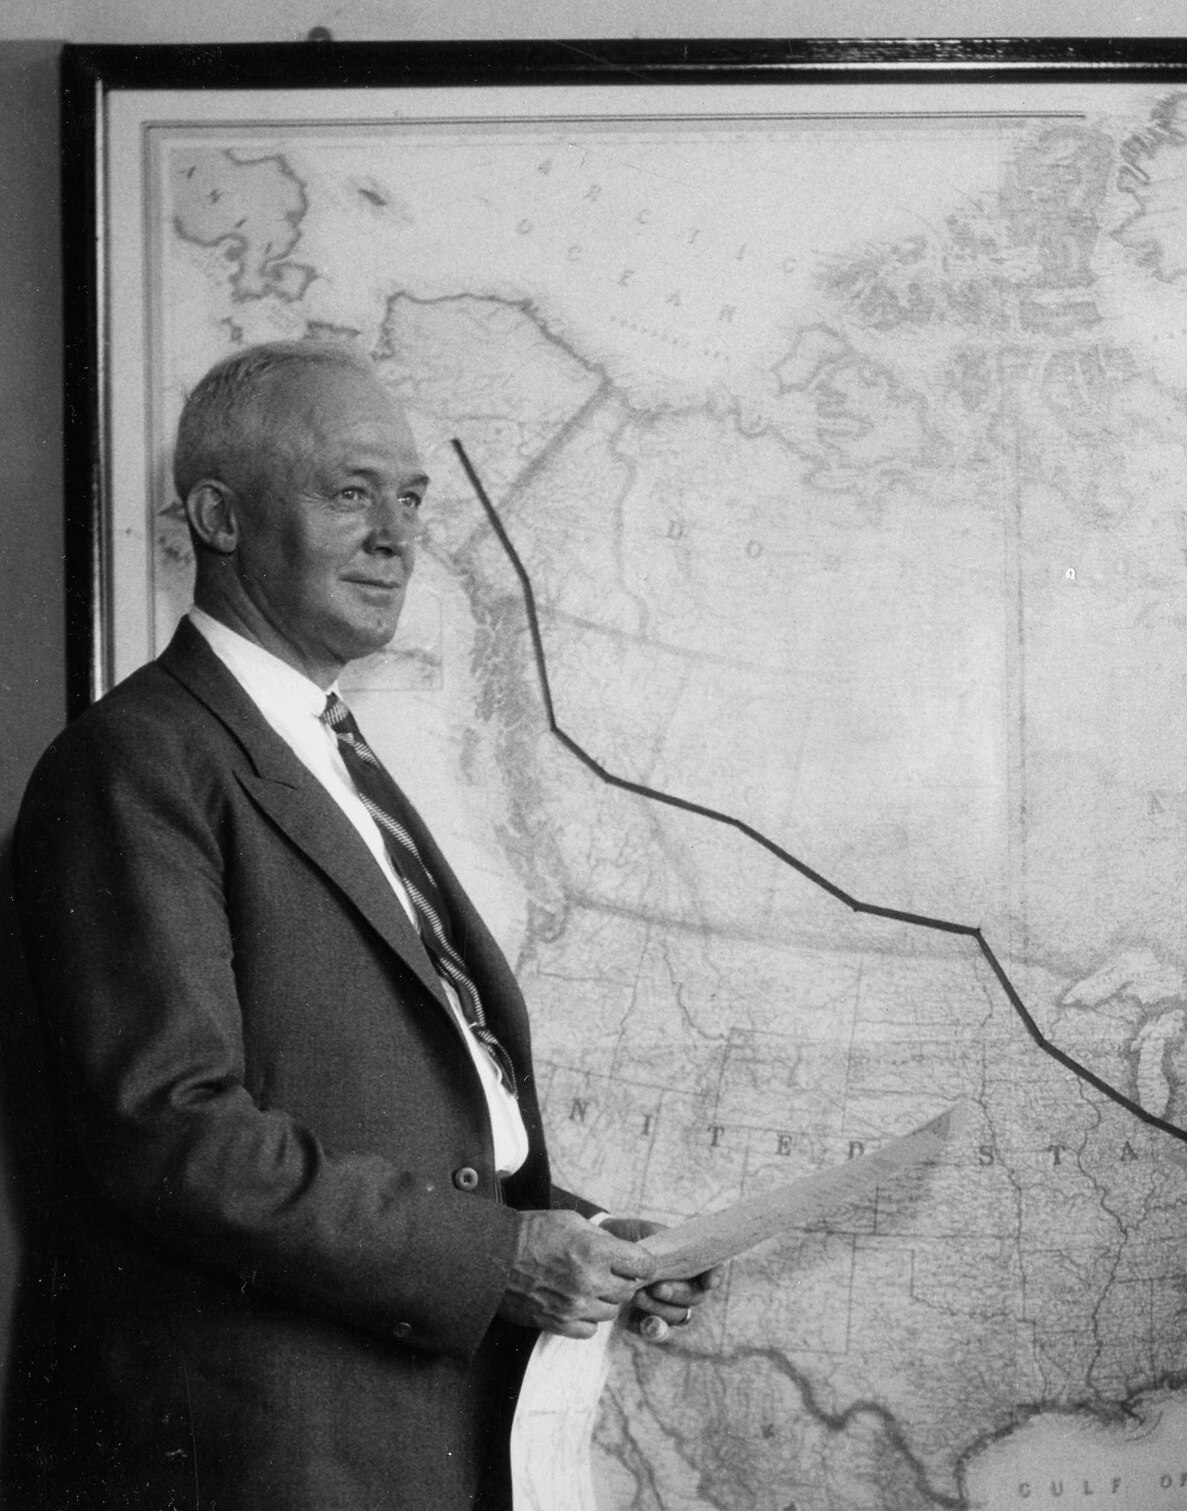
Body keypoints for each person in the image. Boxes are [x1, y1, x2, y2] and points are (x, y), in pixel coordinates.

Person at [5, 341, 712, 1509]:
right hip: (262, 1459)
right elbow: (171, 1133)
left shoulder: (320, 749)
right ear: (221, 517)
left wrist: (578, 1239)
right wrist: (499, 1261)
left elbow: (394, 1111)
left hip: (403, 1436)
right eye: (349, 492)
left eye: (413, 497)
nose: (397, 534)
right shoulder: (135, 761)